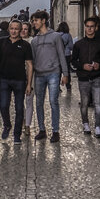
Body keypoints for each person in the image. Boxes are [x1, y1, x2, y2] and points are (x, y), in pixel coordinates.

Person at [29, 11, 70, 143]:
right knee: (39, 102)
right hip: (39, 75)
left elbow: (61, 55)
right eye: (33, 21)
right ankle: (42, 129)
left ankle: (55, 131)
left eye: (36, 20)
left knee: (53, 102)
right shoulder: (34, 41)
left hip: (54, 73)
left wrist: (65, 74)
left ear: (43, 21)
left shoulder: (56, 37)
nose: (34, 23)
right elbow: (32, 61)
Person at [0, 19, 34, 143]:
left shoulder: (26, 45)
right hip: (4, 79)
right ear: (9, 29)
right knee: (3, 105)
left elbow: (30, 65)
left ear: (20, 30)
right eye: (12, 28)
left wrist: (29, 84)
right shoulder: (2, 42)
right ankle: (7, 125)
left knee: (19, 108)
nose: (14, 31)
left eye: (16, 29)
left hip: (19, 80)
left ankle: (17, 135)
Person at [71, 17, 100, 138]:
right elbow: (73, 61)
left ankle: (98, 127)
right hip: (83, 78)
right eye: (87, 26)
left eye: (92, 26)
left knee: (98, 103)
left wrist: (99, 65)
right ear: (85, 28)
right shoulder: (78, 44)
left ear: (96, 28)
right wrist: (83, 66)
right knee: (84, 103)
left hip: (97, 77)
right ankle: (85, 124)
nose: (89, 29)